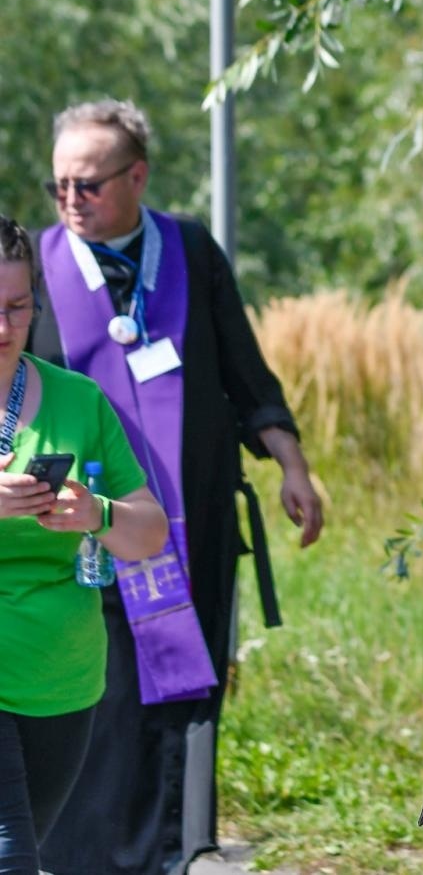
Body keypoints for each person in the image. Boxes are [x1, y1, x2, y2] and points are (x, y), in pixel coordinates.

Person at [30, 100, 324, 875]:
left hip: (191, 527)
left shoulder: (191, 250)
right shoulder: (31, 266)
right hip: (74, 530)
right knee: (99, 693)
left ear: (137, 176)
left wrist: (291, 465)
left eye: (88, 184)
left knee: (180, 694)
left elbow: (245, 374)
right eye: (59, 184)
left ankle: (176, 849)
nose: (70, 201)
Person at [0, 216, 169, 875]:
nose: (3, 329)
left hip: (61, 677)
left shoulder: (79, 400)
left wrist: (94, 512)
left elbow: (148, 532)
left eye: (16, 308)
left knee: (26, 845)